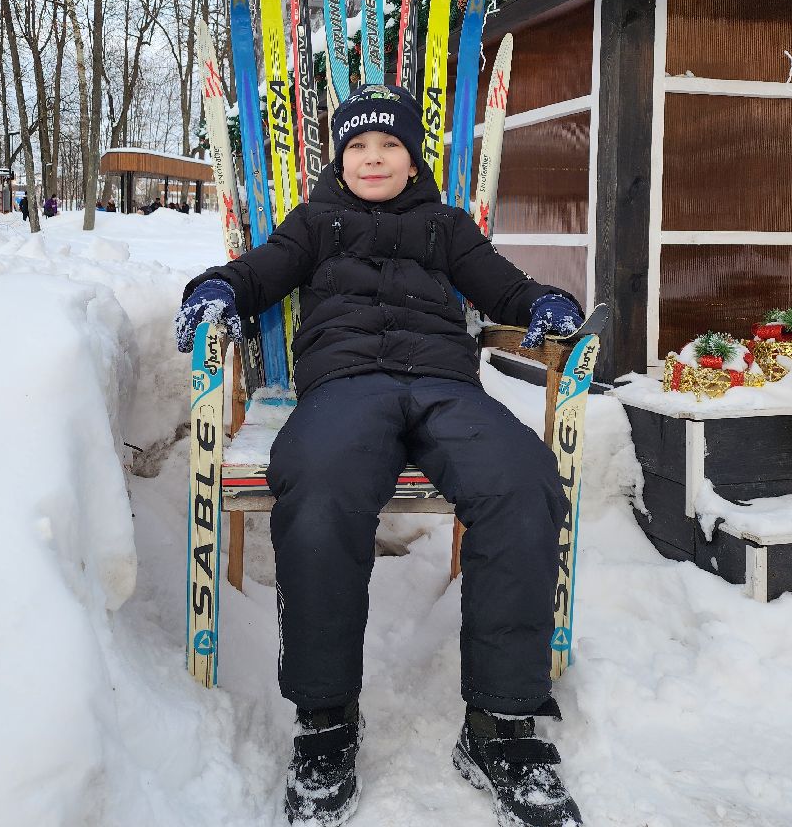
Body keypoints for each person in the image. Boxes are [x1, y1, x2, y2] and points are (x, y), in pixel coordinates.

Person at [175, 85, 586, 827]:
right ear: (340, 160)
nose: (373, 158)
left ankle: (500, 725)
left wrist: (544, 306)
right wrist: (214, 291)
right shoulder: (314, 224)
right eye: (358, 146)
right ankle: (326, 720)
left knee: (522, 482)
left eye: (389, 145)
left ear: (411, 159)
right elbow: (257, 273)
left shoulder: (446, 227)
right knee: (319, 485)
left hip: (443, 386)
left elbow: (505, 288)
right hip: (346, 385)